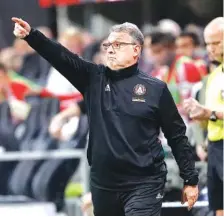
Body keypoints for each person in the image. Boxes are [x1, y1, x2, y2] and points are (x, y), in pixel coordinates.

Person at [12, 18, 199, 216]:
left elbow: (177, 135)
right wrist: (32, 36)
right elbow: (61, 56)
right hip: (104, 184)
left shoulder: (156, 89)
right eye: (108, 44)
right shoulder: (93, 78)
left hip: (144, 182)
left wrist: (190, 179)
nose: (110, 49)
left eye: (118, 44)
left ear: (136, 50)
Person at [184, 17, 224, 216]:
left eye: (216, 43)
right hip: (215, 149)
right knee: (218, 206)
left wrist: (211, 114)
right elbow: (210, 116)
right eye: (207, 44)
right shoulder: (214, 77)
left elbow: (214, 113)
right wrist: (199, 113)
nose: (210, 48)